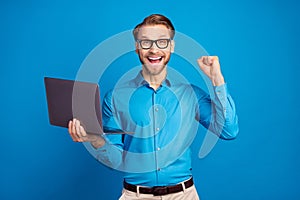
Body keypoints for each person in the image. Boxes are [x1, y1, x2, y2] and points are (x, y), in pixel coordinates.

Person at [68, 14, 239, 200]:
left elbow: (228, 131)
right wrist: (95, 139)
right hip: (135, 195)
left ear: (172, 47)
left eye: (162, 42)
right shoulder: (116, 98)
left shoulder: (191, 94)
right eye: (146, 42)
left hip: (184, 196)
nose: (154, 49)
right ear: (137, 48)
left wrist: (216, 79)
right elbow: (116, 160)